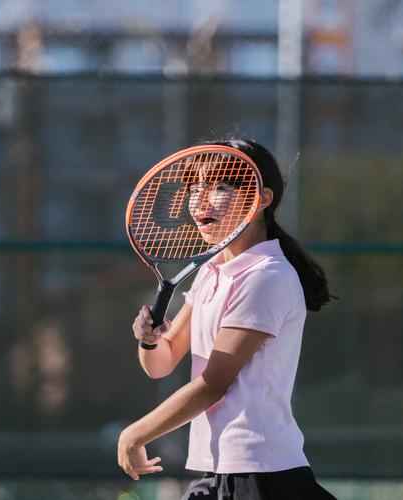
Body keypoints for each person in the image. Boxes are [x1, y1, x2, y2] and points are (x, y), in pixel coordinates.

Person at [118, 138, 337, 499]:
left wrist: (135, 434)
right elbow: (161, 363)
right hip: (219, 471)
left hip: (261, 475)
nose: (201, 198)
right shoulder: (212, 272)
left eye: (219, 186)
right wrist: (149, 339)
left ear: (262, 199)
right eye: (195, 187)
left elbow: (214, 382)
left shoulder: (267, 276)